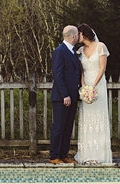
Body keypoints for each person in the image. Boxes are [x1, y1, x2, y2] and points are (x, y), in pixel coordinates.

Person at [74, 23, 113, 165]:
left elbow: (102, 68)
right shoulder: (80, 51)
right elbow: (81, 71)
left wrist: (93, 86)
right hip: (86, 84)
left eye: (78, 34)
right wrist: (84, 87)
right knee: (87, 117)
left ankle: (100, 154)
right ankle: (86, 153)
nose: (76, 36)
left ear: (83, 34)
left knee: (98, 115)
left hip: (98, 83)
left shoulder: (100, 46)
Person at [49, 25, 81, 165]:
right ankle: (54, 156)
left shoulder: (73, 52)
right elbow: (58, 75)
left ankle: (64, 154)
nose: (79, 37)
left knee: (68, 127)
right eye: (78, 34)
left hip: (73, 96)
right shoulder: (59, 51)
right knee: (59, 126)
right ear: (73, 36)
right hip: (62, 97)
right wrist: (65, 95)